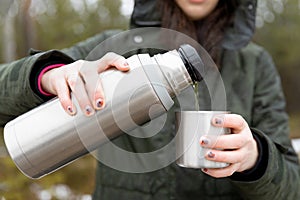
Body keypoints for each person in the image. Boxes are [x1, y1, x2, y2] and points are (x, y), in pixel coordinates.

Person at [0, 0, 299, 199]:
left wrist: (256, 158)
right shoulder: (118, 50)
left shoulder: (255, 65)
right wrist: (47, 75)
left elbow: (293, 185)